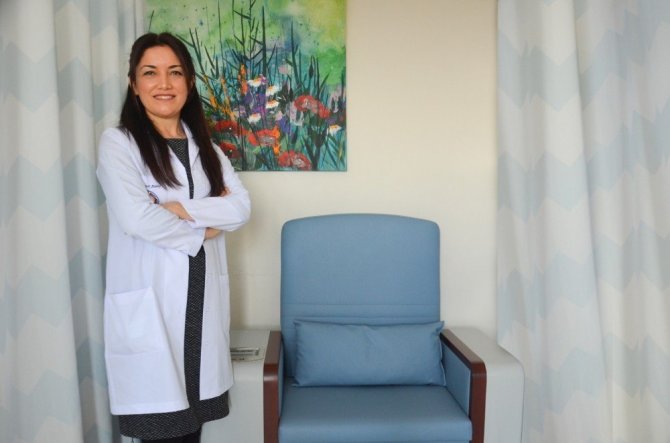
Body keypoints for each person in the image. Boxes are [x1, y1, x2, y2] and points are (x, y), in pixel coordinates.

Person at [96, 32, 251, 443]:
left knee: (192, 431)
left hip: (201, 310)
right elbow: (137, 219)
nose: (163, 83)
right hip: (154, 311)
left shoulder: (208, 149)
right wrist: (204, 228)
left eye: (175, 72)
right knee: (162, 431)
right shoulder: (119, 144)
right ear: (134, 84)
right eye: (150, 73)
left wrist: (175, 209)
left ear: (190, 82)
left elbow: (240, 208)